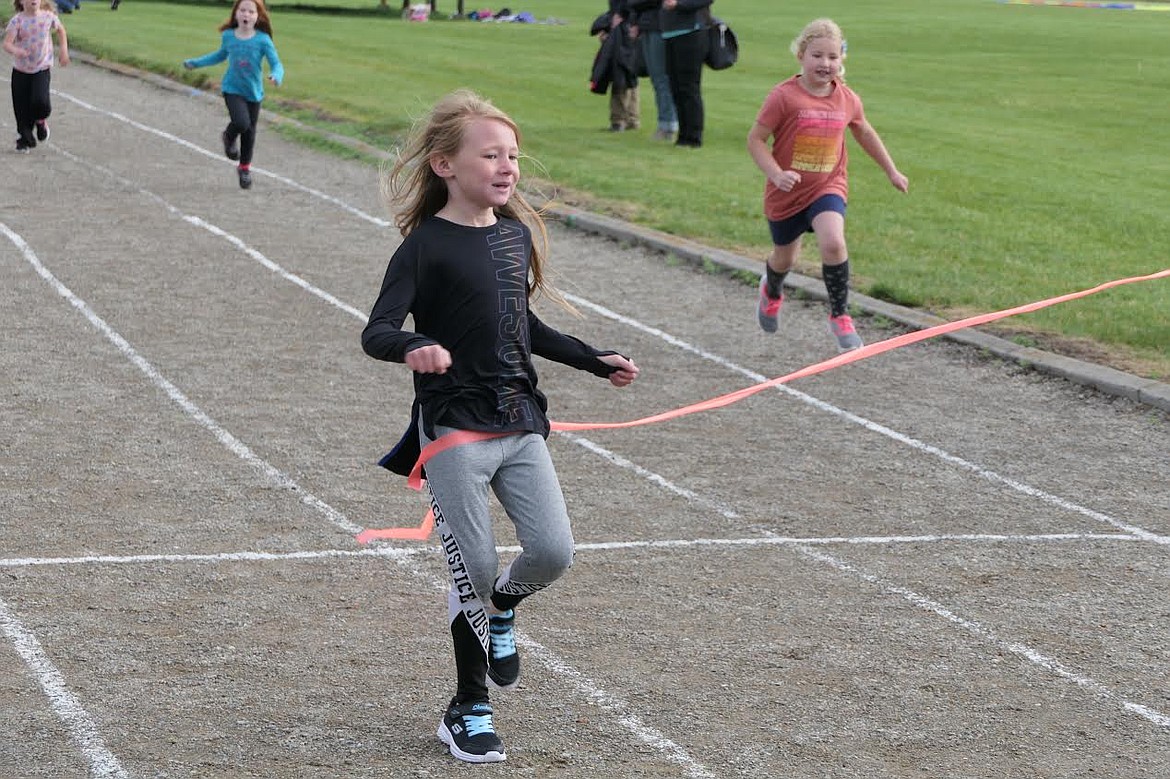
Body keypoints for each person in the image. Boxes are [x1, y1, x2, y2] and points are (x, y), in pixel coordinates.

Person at [361, 89, 639, 764]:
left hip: (519, 422)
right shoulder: (423, 247)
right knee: (473, 569)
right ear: (445, 165)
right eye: (490, 154)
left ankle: (506, 608)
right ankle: (468, 707)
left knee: (552, 552)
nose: (507, 165)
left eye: (512, 154)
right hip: (453, 427)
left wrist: (593, 359)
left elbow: (526, 325)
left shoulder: (513, 236)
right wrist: (413, 347)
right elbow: (376, 331)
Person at [747, 18, 908, 351]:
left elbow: (864, 131)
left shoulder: (847, 99)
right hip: (787, 193)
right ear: (802, 56)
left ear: (842, 60)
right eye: (817, 56)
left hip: (828, 186)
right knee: (784, 260)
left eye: (833, 57)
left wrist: (892, 171)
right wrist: (776, 173)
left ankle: (840, 315)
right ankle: (772, 289)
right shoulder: (783, 96)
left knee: (833, 243)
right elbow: (756, 140)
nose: (825, 64)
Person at [182, 0, 283, 190]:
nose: (246, 15)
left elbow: (277, 64)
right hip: (232, 88)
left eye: (250, 12)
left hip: (253, 92)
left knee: (249, 132)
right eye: (242, 10)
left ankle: (244, 168)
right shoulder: (229, 36)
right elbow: (219, 56)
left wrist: (276, 76)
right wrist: (195, 63)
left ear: (258, 16)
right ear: (236, 14)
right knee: (241, 122)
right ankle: (228, 137)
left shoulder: (263, 40)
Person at [4, 0, 69, 153]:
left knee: (40, 101)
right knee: (21, 108)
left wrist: (64, 50)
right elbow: (7, 43)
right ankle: (24, 139)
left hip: (41, 68)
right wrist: (16, 50)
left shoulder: (48, 17)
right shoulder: (17, 20)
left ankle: (40, 122)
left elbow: (61, 31)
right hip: (21, 70)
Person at [660, 0, 710, 148]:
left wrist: (678, 4)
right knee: (675, 87)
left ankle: (694, 137)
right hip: (669, 33)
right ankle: (683, 135)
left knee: (688, 87)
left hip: (690, 33)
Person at [628, 0, 676, 141]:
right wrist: (634, 22)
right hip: (647, 25)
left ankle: (668, 125)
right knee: (656, 78)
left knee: (662, 78)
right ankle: (664, 123)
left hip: (660, 26)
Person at [590, 1, 640, 132]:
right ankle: (631, 118)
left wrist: (615, 20)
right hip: (630, 23)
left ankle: (618, 121)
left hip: (624, 26)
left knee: (620, 72)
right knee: (629, 73)